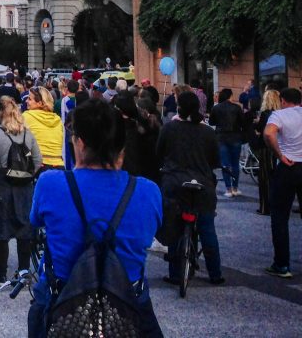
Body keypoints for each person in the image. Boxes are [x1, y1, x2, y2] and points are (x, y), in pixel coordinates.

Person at [29, 99, 163, 338]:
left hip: (63, 299)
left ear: (79, 143)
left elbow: (36, 220)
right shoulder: (148, 191)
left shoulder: (50, 183)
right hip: (127, 302)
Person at [156, 91, 224, 285]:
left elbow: (158, 153)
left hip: (175, 182)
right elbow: (215, 161)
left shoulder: (169, 129)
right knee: (207, 227)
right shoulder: (208, 132)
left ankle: (175, 273)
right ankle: (215, 272)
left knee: (174, 226)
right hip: (202, 184)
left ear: (179, 108)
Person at [0, 96, 42, 283]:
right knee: (24, 227)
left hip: (2, 185)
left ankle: (1, 272)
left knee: (1, 228)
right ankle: (23, 270)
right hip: (24, 186)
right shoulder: (28, 134)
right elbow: (38, 161)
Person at [263, 87, 302, 278]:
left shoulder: (278, 115)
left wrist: (279, 154)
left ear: (284, 100)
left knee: (279, 216)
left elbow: (269, 134)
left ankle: (282, 264)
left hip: (288, 166)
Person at [209, 88, 246, 197]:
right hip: (235, 137)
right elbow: (242, 122)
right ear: (230, 96)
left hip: (221, 138)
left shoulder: (216, 108)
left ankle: (228, 189)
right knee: (235, 164)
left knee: (225, 164)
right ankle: (235, 188)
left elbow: (212, 122)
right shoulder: (237, 107)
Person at [254, 88, 282, 216]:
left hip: (266, 148)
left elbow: (261, 129)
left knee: (265, 177)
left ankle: (265, 207)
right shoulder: (281, 113)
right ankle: (278, 205)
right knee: (277, 177)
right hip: (280, 147)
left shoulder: (266, 114)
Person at [23, 86, 64, 170]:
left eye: (29, 99)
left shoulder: (27, 116)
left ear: (40, 103)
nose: (26, 101)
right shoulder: (58, 120)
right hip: (59, 165)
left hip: (39, 165)